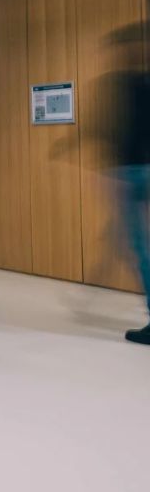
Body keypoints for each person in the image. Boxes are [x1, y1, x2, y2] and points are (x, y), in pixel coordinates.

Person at [99, 24, 150, 345]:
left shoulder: (121, 84)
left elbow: (115, 133)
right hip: (139, 170)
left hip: (132, 173)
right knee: (136, 245)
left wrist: (114, 177)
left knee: (142, 249)